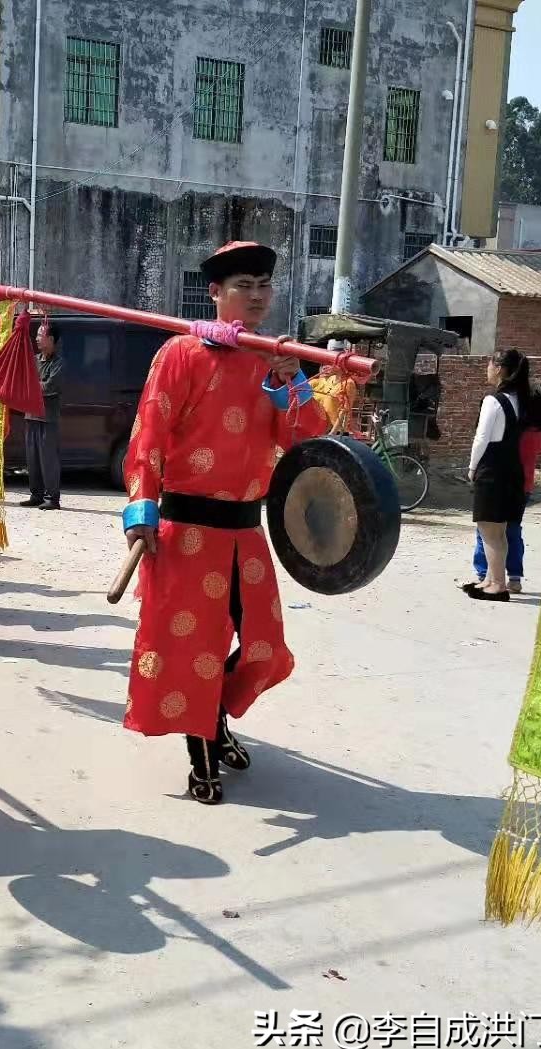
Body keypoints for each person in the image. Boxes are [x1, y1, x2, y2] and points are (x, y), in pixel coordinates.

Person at [121, 241, 329, 805]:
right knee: (194, 650)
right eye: (244, 285)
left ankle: (213, 718)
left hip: (246, 530)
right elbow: (148, 438)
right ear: (215, 293)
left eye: (264, 284)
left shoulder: (276, 358)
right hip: (186, 532)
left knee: (264, 648)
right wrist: (141, 513)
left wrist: (294, 381)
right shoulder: (181, 354)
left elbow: (308, 440)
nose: (257, 295)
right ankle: (203, 757)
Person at [466, 379, 541, 593]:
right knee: (512, 531)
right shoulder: (536, 433)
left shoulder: (515, 430)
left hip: (506, 480)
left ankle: (487, 575)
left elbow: (487, 440)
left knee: (487, 531)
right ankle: (514, 577)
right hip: (525, 484)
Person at [464, 348, 531, 603]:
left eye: (490, 364)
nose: (487, 369)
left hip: (491, 468)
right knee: (499, 531)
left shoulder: (493, 400)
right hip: (511, 468)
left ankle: (498, 585)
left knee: (488, 530)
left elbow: (481, 438)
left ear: (500, 369)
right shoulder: (518, 399)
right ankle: (491, 579)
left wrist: (472, 468)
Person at [20, 322, 62, 510]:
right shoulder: (34, 360)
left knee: (48, 460)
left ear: (51, 339)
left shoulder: (60, 363)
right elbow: (27, 382)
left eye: (40, 335)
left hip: (48, 419)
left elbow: (50, 386)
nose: (36, 338)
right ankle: (36, 495)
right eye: (36, 335)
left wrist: (33, 385)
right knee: (32, 459)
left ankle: (53, 498)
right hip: (31, 416)